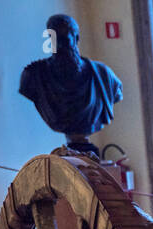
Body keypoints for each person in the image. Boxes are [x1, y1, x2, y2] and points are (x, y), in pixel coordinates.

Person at [19, 14, 123, 156]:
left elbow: (117, 94)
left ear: (76, 38)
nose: (59, 45)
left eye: (64, 38)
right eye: (54, 39)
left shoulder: (104, 76)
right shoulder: (34, 76)